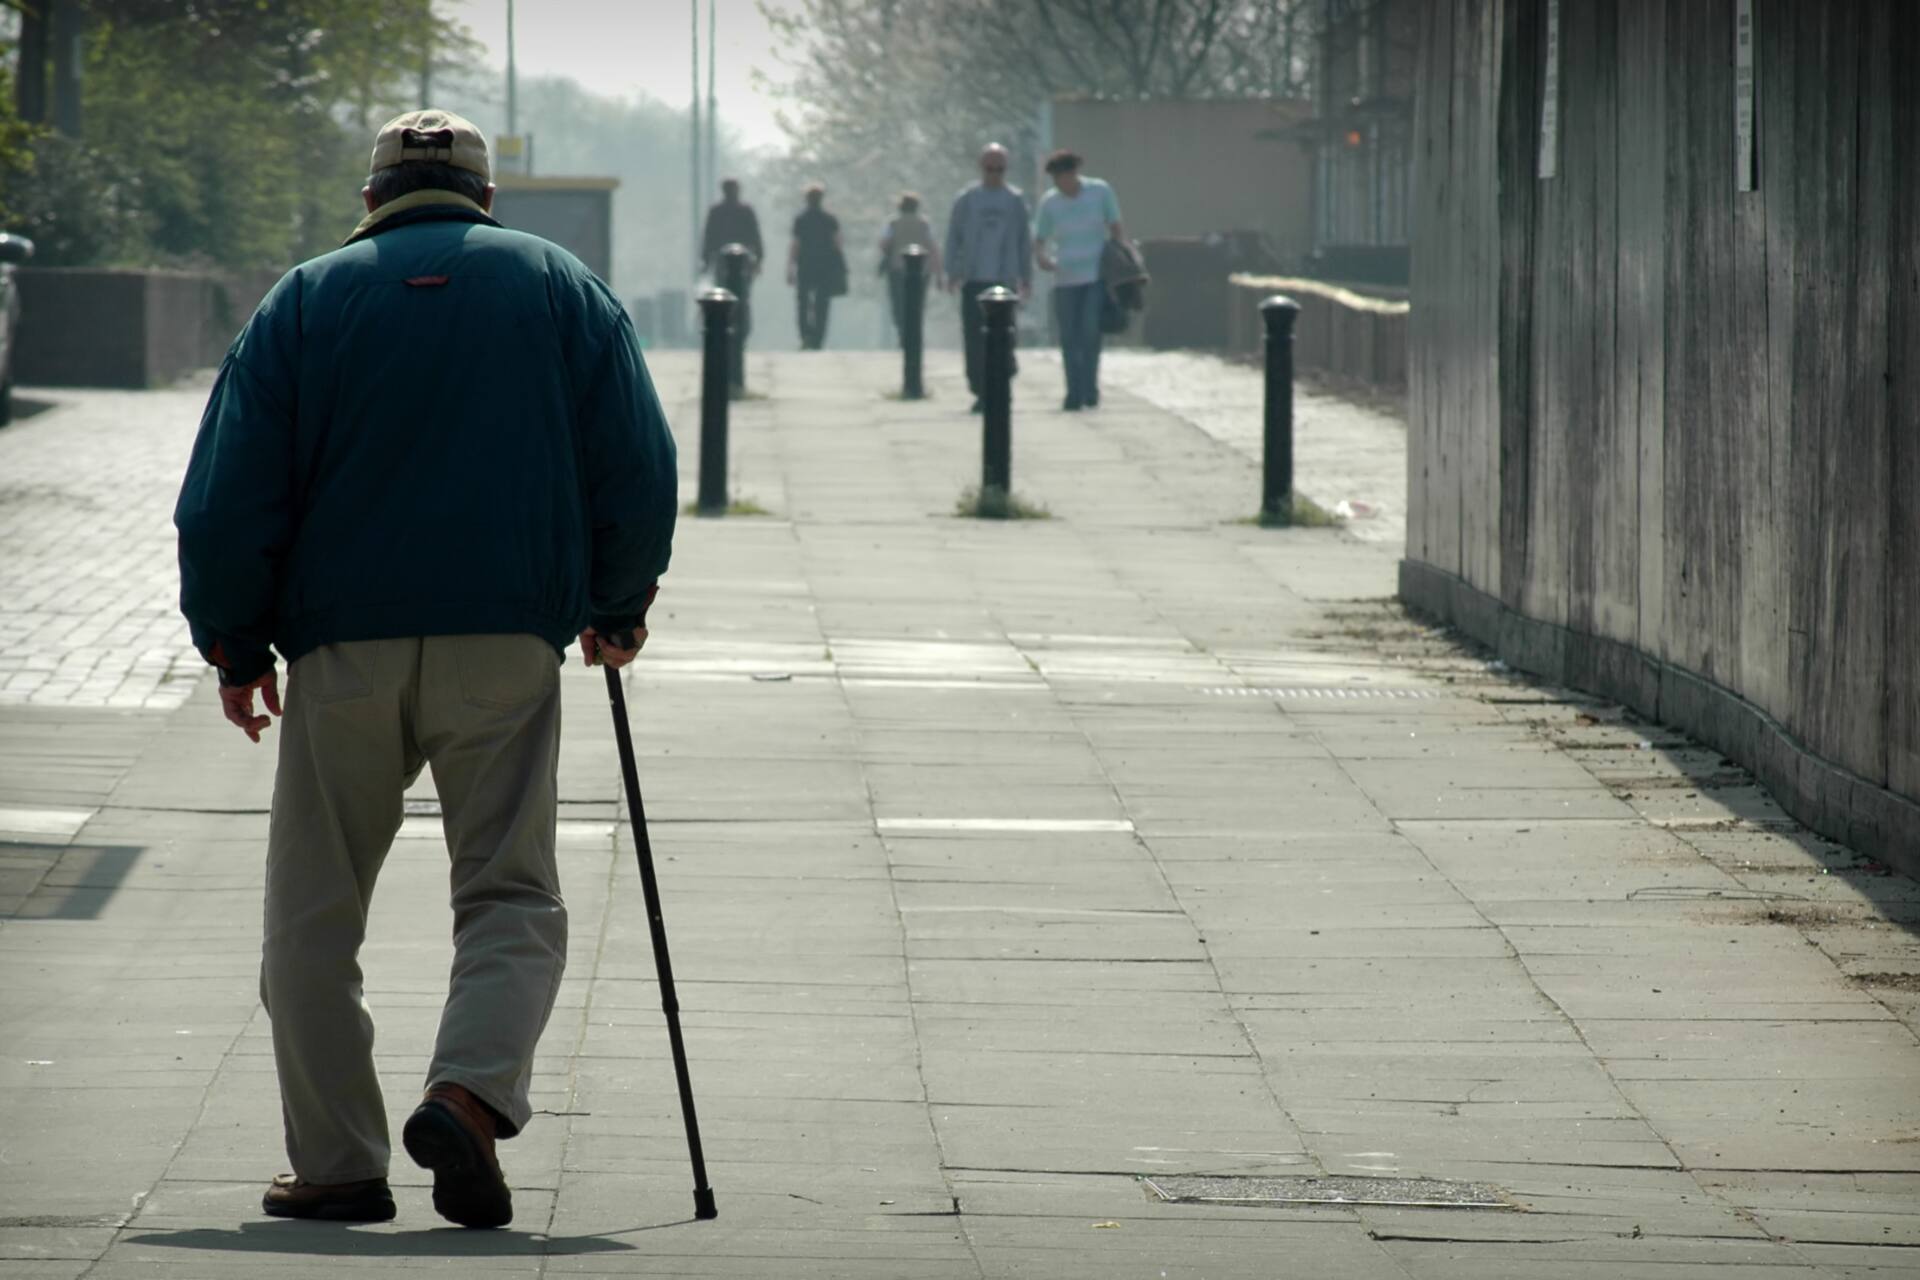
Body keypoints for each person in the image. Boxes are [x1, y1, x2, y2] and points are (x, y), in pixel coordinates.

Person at [173, 110, 677, 1230]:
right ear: (488, 201)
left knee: (313, 911)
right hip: (503, 643)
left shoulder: (305, 297)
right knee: (509, 887)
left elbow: (226, 491)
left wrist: (232, 640)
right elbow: (637, 459)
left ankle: (340, 1163)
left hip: (340, 647)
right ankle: (469, 1090)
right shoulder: (559, 285)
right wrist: (619, 602)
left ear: (370, 199)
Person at [1034, 149, 1124, 411]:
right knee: (1069, 336)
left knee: (1090, 331)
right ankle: (1073, 392)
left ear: (1074, 173)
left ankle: (1089, 388)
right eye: (1057, 178)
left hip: (1096, 274)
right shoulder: (1050, 203)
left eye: (1065, 176)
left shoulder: (1099, 192)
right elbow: (1040, 239)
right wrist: (1042, 257)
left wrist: (1122, 260)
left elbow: (1116, 226)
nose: (1062, 183)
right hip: (1065, 278)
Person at [945, 143, 1032, 412]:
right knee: (973, 338)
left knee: (1005, 336)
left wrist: (1026, 277)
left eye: (1000, 169)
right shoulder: (967, 199)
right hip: (974, 279)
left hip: (1003, 280)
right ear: (980, 168)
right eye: (989, 168)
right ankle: (980, 389)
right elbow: (953, 237)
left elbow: (1023, 241)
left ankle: (1002, 384)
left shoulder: (1015, 200)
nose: (994, 174)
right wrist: (952, 271)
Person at [702, 178, 762, 384]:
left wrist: (705, 260)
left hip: (726, 264)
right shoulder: (744, 211)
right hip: (738, 263)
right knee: (739, 301)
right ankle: (735, 336)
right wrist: (758, 258)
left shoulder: (719, 211)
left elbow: (708, 237)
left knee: (728, 300)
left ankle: (732, 336)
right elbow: (755, 236)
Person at [787, 183, 844, 350]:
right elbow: (838, 243)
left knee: (803, 301)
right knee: (822, 302)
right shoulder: (830, 219)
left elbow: (795, 245)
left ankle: (805, 335)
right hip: (825, 265)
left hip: (805, 264)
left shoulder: (801, 219)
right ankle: (819, 337)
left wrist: (790, 267)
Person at [880, 191, 941, 343]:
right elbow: (933, 247)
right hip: (922, 270)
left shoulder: (893, 223)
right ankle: (914, 334)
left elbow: (884, 244)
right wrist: (938, 272)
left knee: (899, 303)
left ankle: (903, 333)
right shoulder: (924, 224)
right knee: (917, 303)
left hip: (897, 269)